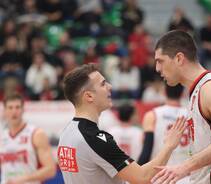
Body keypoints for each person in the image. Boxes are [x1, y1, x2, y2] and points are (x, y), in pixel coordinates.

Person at [57, 63, 186, 184]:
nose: (110, 86)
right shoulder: (95, 139)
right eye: (103, 84)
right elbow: (143, 177)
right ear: (89, 96)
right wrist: (169, 145)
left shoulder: (66, 133)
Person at [151, 30, 211, 184]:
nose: (157, 68)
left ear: (179, 58)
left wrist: (184, 167)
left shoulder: (210, 87)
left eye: (160, 61)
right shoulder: (200, 90)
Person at [138, 84, 190, 184]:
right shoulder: (191, 114)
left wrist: (139, 175)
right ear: (183, 93)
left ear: (164, 92)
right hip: (185, 176)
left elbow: (147, 149)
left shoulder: (152, 115)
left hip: (160, 176)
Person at [0, 93, 56, 184]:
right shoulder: (2, 136)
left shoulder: (36, 134)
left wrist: (22, 179)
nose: (14, 111)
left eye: (17, 107)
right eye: (10, 108)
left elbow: (51, 170)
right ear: (5, 111)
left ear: (23, 110)